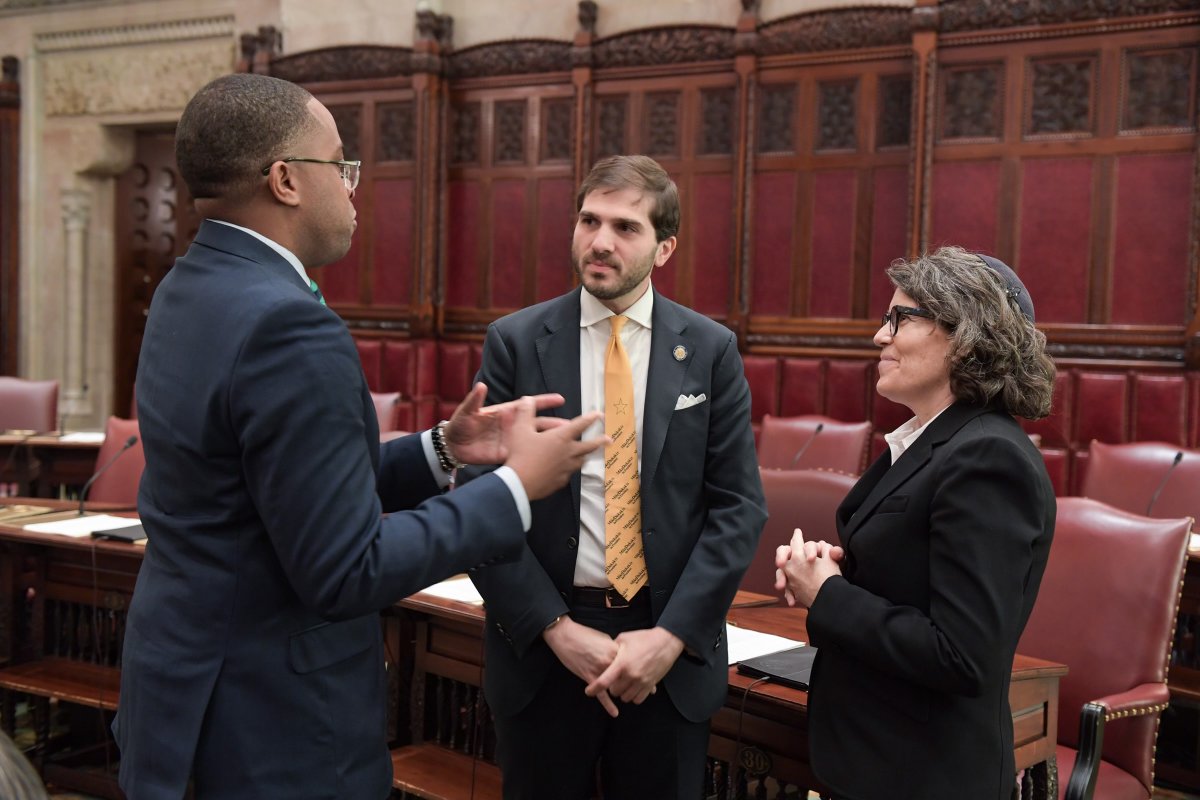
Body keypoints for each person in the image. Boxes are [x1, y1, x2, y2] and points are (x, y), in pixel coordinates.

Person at [113, 73, 607, 800]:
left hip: (180, 695)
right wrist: (512, 488)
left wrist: (442, 450)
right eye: (340, 164)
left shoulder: (185, 287)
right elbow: (345, 568)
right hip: (269, 727)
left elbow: (280, 491)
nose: (353, 188)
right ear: (285, 180)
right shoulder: (288, 324)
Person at [462, 155, 767, 800]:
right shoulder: (516, 341)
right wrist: (554, 627)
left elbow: (738, 507)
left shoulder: (710, 350)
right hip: (544, 647)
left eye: (626, 227)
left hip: (666, 649)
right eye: (589, 221)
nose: (600, 241)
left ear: (664, 248)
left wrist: (671, 637)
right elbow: (479, 503)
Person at [775, 246, 1057, 800]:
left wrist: (828, 594)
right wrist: (837, 571)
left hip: (926, 774)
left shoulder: (988, 458)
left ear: (966, 334)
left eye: (900, 318)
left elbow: (962, 656)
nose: (880, 335)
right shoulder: (939, 441)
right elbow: (914, 577)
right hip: (880, 758)